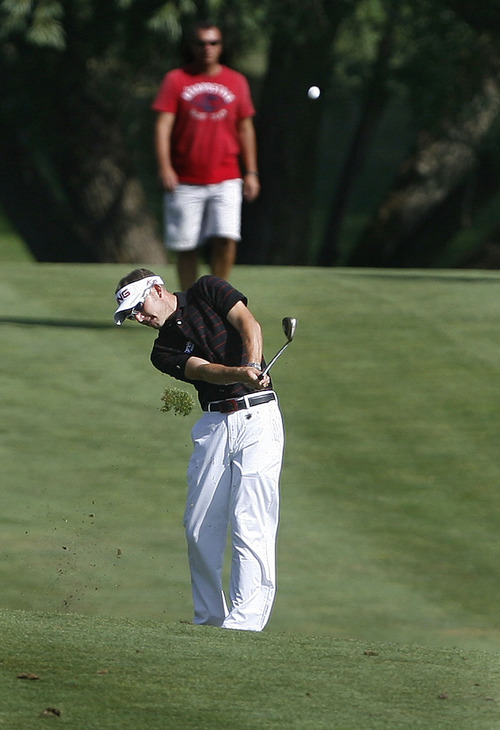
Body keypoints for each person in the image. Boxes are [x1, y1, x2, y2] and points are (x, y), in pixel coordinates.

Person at [113, 268, 284, 631]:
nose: (139, 318)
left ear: (157, 290)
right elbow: (204, 371)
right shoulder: (162, 351)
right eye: (132, 316)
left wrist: (253, 364)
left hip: (259, 418)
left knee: (250, 520)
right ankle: (210, 619)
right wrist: (239, 373)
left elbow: (248, 323)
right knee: (198, 526)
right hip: (214, 425)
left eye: (139, 308)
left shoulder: (207, 289)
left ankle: (244, 623)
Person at [152, 21, 260, 291]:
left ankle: (217, 298)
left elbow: (245, 128)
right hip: (185, 178)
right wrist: (165, 167)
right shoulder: (176, 79)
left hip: (227, 175)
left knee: (226, 237)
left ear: (221, 47)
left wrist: (252, 172)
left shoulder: (236, 81)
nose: (207, 49)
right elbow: (163, 125)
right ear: (192, 47)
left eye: (213, 43)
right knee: (186, 245)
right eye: (201, 43)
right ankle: (190, 304)